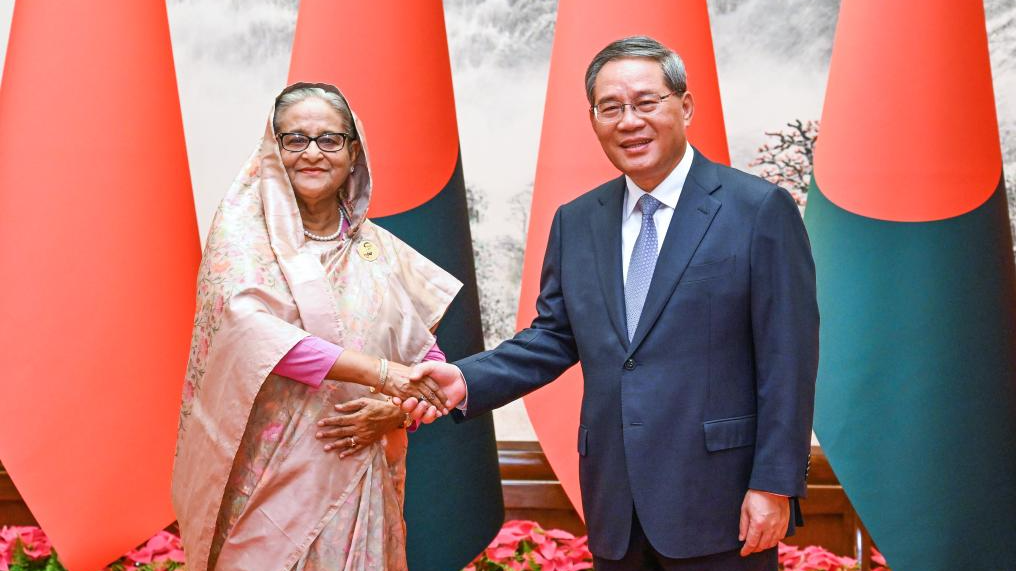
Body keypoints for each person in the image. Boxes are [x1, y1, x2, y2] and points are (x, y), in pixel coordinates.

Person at [405, 36, 818, 570]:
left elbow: (789, 359)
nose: (629, 121)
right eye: (611, 107)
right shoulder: (578, 221)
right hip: (616, 503)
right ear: (594, 118)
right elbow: (554, 336)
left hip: (723, 500)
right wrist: (465, 380)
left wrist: (774, 484)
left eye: (646, 103)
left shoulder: (758, 209)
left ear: (685, 106)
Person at [172, 82, 455, 571]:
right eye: (294, 139)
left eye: (329, 139)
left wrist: (393, 411)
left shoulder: (377, 250)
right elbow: (257, 337)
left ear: (352, 152)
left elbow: (430, 367)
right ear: (272, 151)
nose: (312, 153)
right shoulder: (242, 241)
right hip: (267, 484)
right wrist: (384, 375)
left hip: (361, 477)